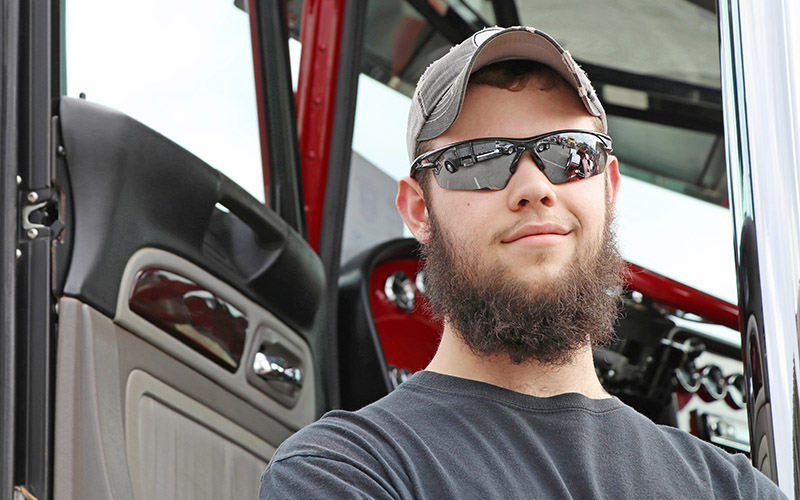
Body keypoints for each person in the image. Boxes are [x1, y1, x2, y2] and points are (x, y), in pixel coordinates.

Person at [259, 26, 788, 499]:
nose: (534, 188)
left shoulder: (735, 488)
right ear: (420, 211)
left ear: (608, 188)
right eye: (479, 160)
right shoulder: (345, 471)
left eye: (570, 153)